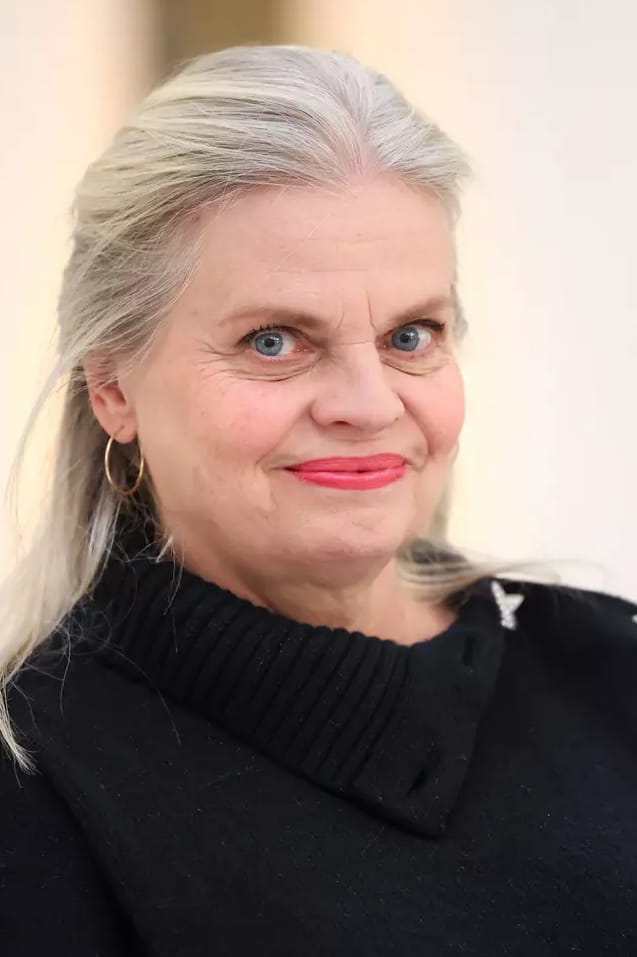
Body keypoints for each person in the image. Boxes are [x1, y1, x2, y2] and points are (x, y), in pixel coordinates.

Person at [1, 44, 636, 957]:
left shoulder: (609, 673)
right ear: (112, 387)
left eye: (409, 335)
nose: (369, 406)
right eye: (272, 341)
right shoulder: (37, 783)